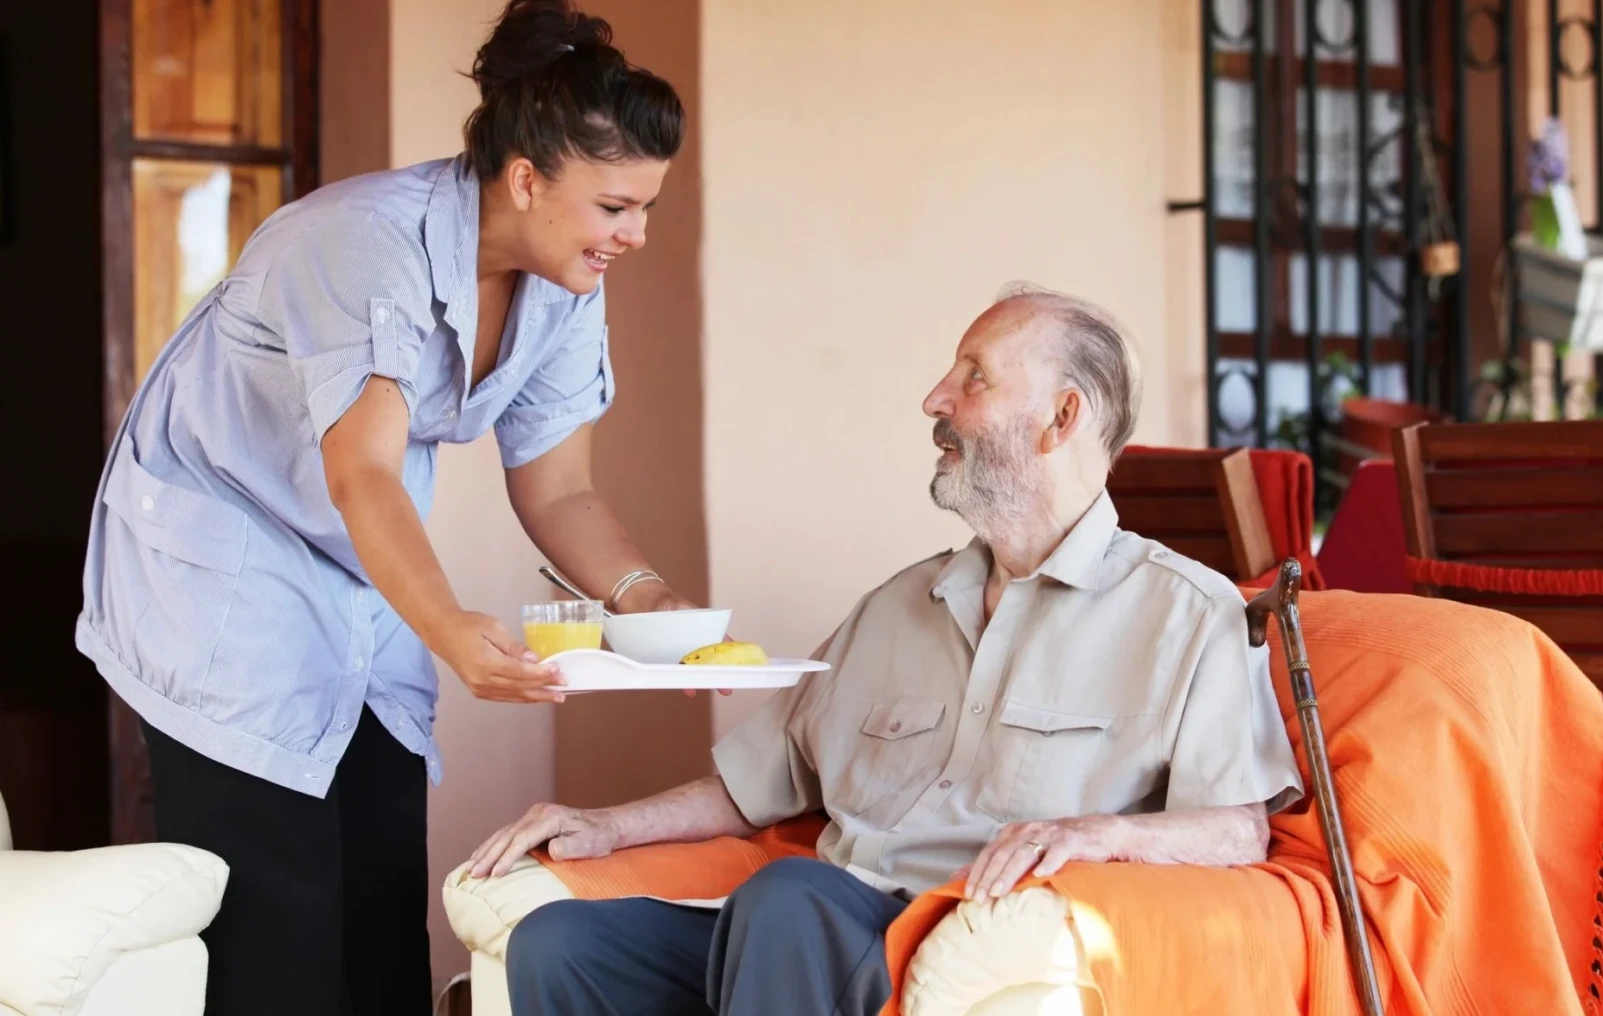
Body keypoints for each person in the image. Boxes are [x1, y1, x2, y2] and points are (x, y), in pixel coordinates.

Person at [74, 2, 694, 1012]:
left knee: (378, 906)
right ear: (528, 177)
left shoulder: (566, 283)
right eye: (615, 206)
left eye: (646, 208)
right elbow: (360, 469)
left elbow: (558, 484)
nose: (633, 235)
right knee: (277, 926)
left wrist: (646, 596)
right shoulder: (361, 245)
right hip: (224, 569)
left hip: (358, 569)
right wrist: (450, 628)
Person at [472, 284, 1305, 1016]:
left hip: (949, 930)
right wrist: (604, 825)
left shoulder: (1184, 615)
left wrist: (1096, 835)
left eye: (974, 377)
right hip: (805, 932)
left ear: (1063, 418)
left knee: (788, 900)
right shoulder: (897, 606)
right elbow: (757, 785)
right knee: (560, 942)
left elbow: (1236, 830)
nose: (935, 399)